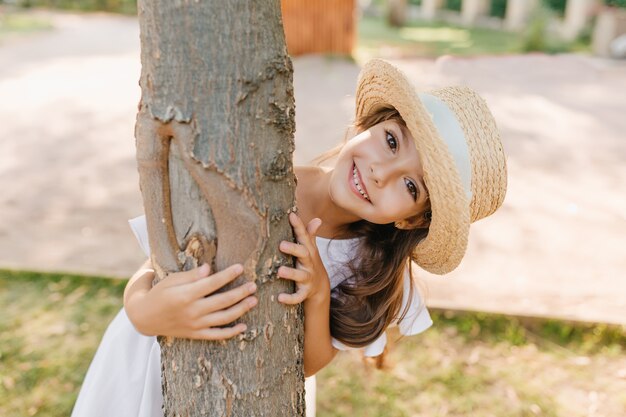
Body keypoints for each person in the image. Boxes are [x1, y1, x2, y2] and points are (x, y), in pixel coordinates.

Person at [72, 59, 507, 417]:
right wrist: (143, 310)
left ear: (412, 221)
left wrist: (318, 294)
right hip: (146, 356)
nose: (381, 172)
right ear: (373, 122)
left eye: (411, 187)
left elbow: (307, 365)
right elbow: (155, 263)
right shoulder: (266, 183)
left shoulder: (366, 263)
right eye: (391, 141)